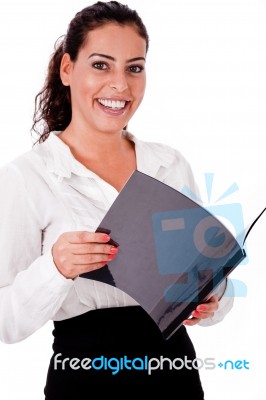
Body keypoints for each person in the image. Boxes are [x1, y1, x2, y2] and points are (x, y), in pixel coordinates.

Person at [0, 1, 234, 398]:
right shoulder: (27, 177)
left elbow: (207, 277)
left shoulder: (170, 165)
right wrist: (56, 267)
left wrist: (212, 298)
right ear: (68, 69)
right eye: (101, 65)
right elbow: (6, 322)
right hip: (84, 376)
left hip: (174, 372)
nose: (121, 85)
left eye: (135, 67)